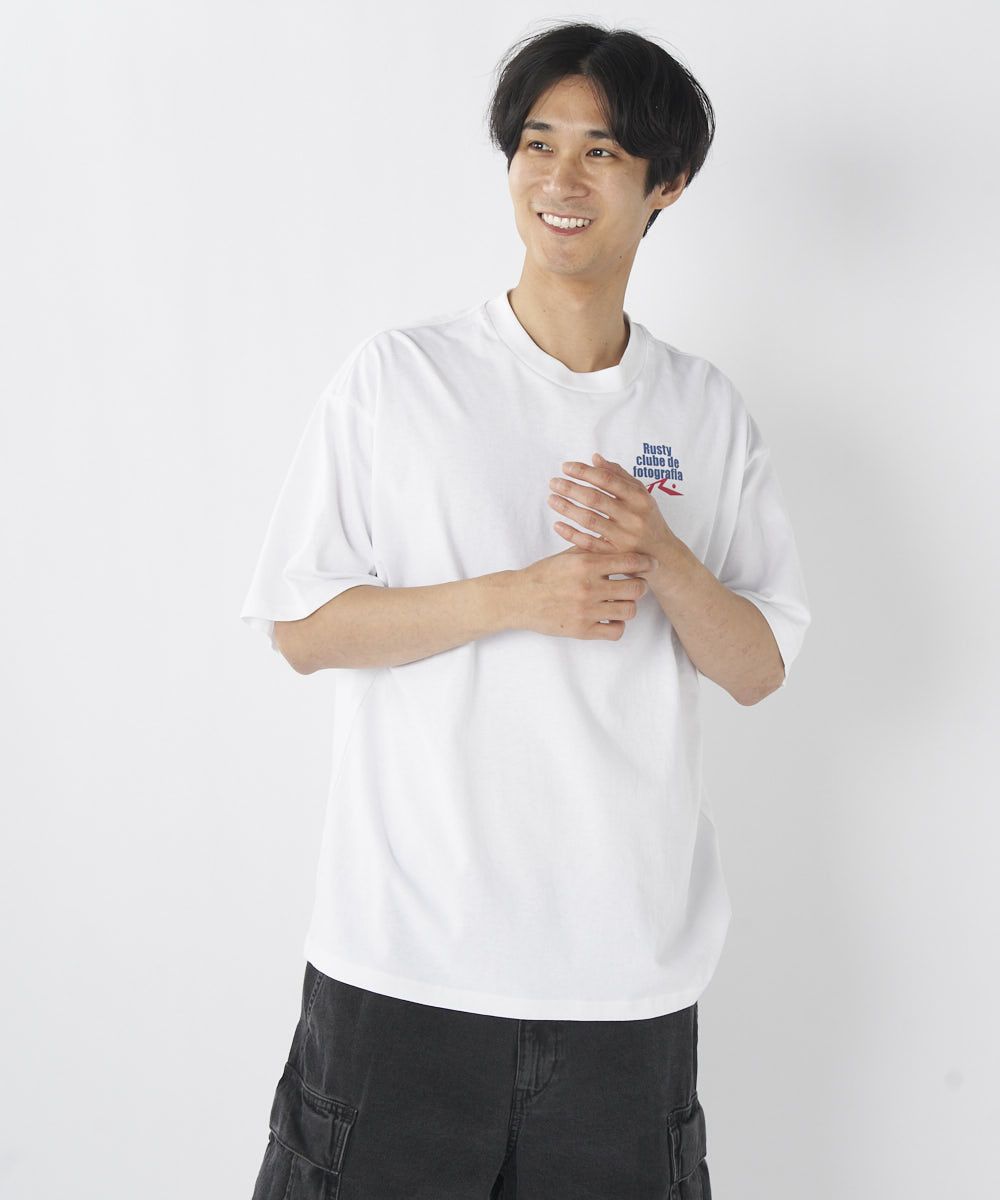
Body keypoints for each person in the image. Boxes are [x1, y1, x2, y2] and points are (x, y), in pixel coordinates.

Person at [241, 20, 810, 1200]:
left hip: (626, 986)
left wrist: (662, 557)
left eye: (601, 151)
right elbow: (302, 628)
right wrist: (515, 596)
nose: (560, 178)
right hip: (403, 967)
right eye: (537, 144)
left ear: (665, 183)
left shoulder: (703, 410)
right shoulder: (400, 378)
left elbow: (758, 667)